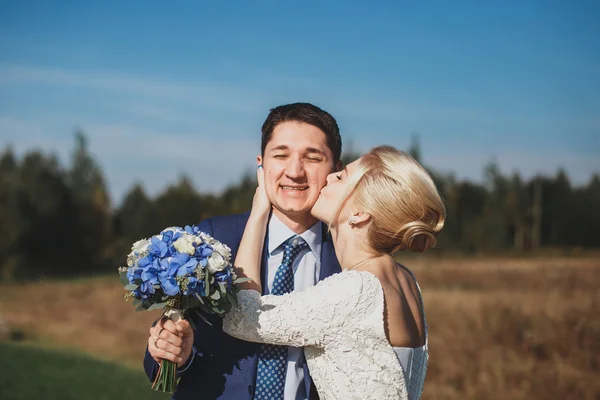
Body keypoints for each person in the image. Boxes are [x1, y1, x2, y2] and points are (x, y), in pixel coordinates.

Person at [144, 102, 344, 399]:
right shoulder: (214, 238)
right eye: (281, 155)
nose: (295, 171)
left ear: (336, 169)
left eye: (312, 157)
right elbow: (161, 360)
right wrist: (170, 352)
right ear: (261, 164)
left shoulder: (348, 259)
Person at [223, 145, 446, 400]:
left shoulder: (356, 289)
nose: (329, 176)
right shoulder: (406, 282)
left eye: (341, 178)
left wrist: (258, 213)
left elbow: (242, 316)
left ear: (360, 214)